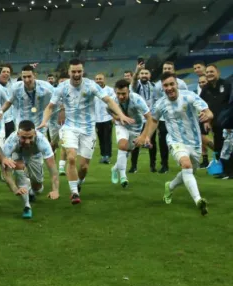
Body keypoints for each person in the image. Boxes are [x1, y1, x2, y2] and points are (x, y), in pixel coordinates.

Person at [38, 59, 133, 205]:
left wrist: (120, 115)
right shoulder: (62, 87)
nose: (76, 74)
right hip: (70, 127)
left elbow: (108, 100)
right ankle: (74, 192)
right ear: (69, 72)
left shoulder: (90, 85)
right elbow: (50, 107)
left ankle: (79, 182)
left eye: (79, 71)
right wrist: (44, 121)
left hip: (88, 130)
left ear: (83, 71)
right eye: (73, 71)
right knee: (71, 157)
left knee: (83, 167)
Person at [136, 72, 213, 215]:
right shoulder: (160, 104)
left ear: (177, 84)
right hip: (176, 141)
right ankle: (198, 200)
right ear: (162, 88)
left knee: (189, 172)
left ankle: (170, 187)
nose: (169, 88)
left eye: (172, 84)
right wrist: (147, 136)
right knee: (186, 165)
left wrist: (207, 115)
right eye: (166, 85)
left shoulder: (189, 96)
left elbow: (208, 112)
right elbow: (153, 120)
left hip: (194, 142)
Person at [0, 120, 60, 219]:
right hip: (18, 155)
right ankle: (27, 206)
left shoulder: (42, 141)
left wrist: (55, 190)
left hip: (34, 156)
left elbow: (53, 170)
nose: (27, 141)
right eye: (23, 138)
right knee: (19, 169)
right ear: (18, 134)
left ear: (35, 134)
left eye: (30, 137)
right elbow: (5, 172)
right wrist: (15, 189)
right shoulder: (10, 142)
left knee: (37, 187)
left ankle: (31, 191)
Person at [109, 79, 152, 188]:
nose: (121, 96)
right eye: (118, 93)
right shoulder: (113, 100)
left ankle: (115, 168)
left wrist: (143, 136)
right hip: (121, 125)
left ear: (129, 91)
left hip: (136, 127)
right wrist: (117, 117)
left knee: (128, 150)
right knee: (122, 146)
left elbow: (149, 118)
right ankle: (123, 177)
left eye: (123, 94)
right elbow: (109, 110)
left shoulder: (137, 100)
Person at [151, 61, 188, 174]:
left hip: (179, 118)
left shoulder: (181, 84)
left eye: (169, 68)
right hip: (163, 119)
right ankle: (164, 164)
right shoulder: (158, 86)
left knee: (183, 141)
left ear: (173, 70)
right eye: (165, 68)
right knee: (163, 143)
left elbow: (186, 99)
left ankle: (185, 162)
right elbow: (155, 102)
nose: (167, 70)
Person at [199, 64, 232, 179]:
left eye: (211, 71)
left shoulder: (227, 85)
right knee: (218, 147)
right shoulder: (205, 89)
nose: (209, 74)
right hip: (215, 125)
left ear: (218, 72)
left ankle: (230, 172)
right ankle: (224, 170)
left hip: (228, 123)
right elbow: (201, 106)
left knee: (228, 148)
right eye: (207, 72)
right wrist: (206, 121)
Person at [94, 73, 116, 164]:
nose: (99, 80)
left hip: (107, 117)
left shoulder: (110, 90)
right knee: (100, 138)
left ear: (104, 80)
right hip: (97, 119)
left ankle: (107, 155)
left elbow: (114, 103)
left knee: (107, 138)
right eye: (97, 79)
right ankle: (103, 155)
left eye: (100, 79)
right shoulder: (93, 91)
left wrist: (114, 116)